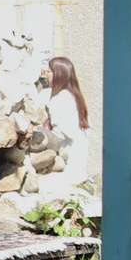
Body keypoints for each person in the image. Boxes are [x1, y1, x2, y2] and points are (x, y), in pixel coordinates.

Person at [46, 56, 91, 188]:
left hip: (69, 168)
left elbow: (57, 136)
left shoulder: (60, 100)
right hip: (80, 167)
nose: (46, 75)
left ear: (58, 74)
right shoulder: (75, 97)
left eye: (48, 72)